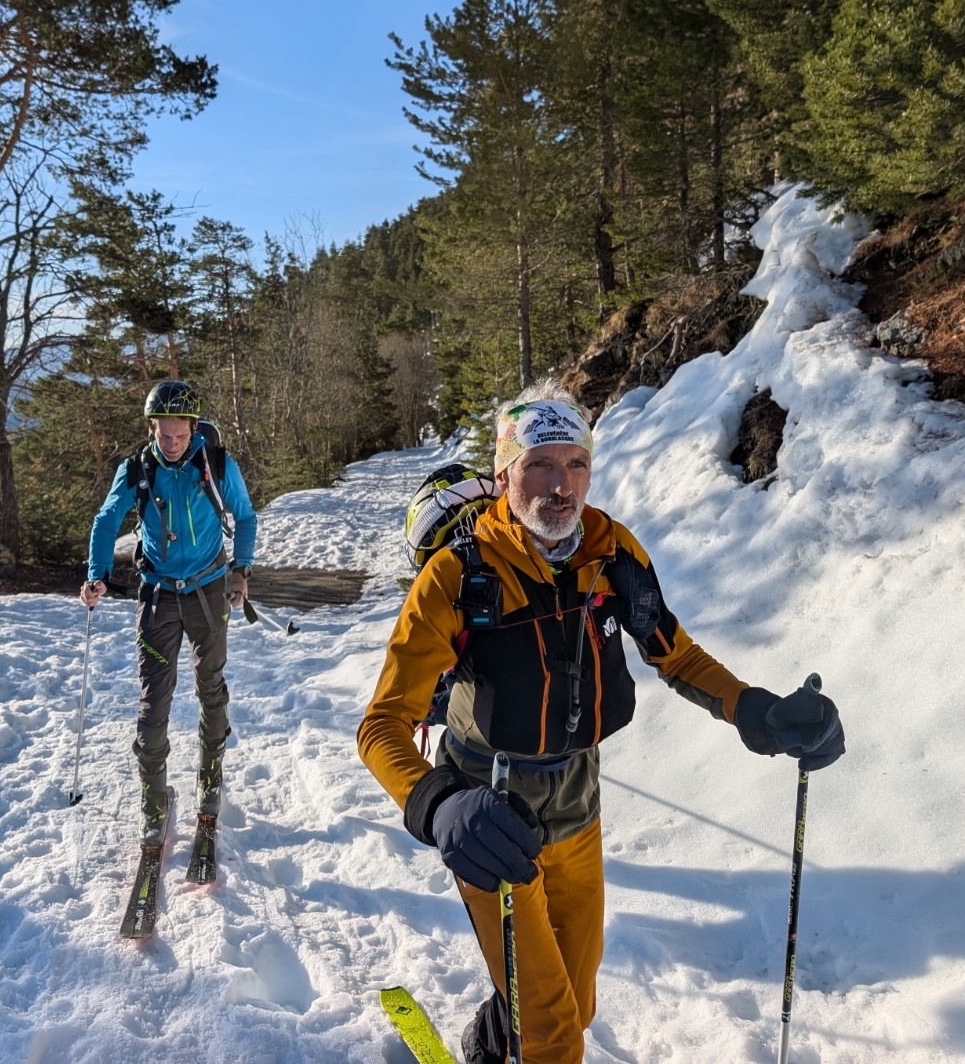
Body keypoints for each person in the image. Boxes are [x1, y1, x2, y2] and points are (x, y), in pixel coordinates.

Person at [357, 378, 845, 1064]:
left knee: (575, 1005)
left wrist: (756, 709)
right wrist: (439, 805)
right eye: (540, 465)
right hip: (491, 826)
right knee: (556, 1034)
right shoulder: (455, 577)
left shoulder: (611, 553)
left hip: (578, 814)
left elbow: (675, 653)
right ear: (503, 477)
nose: (562, 486)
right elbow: (381, 724)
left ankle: (493, 1041)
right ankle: (522, 1029)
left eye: (576, 463)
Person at [81, 380, 258, 846]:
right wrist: (96, 573)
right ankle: (154, 799)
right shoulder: (137, 468)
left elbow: (246, 516)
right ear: (152, 428)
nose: (172, 444)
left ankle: (210, 775)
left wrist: (241, 572)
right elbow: (106, 518)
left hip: (208, 592)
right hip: (158, 597)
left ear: (194, 428)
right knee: (153, 701)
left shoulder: (217, 464)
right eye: (164, 435)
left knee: (210, 687)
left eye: (180, 435)